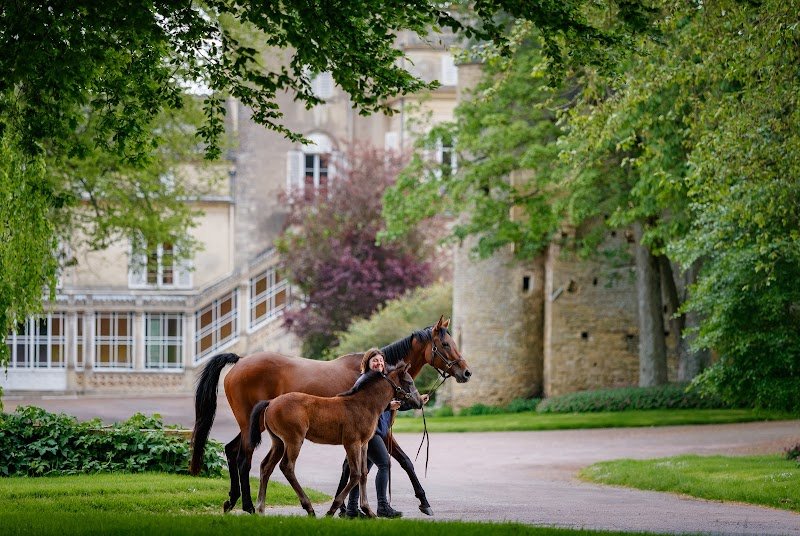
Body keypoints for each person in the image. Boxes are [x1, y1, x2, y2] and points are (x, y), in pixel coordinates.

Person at [336, 348, 429, 518]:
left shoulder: (382, 380)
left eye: (380, 361)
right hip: (369, 432)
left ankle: (351, 510)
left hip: (375, 430)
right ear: (367, 363)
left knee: (361, 470)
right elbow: (364, 407)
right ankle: (383, 506)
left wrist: (416, 401)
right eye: (374, 361)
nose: (378, 363)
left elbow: (392, 404)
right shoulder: (365, 381)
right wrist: (388, 406)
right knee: (384, 464)